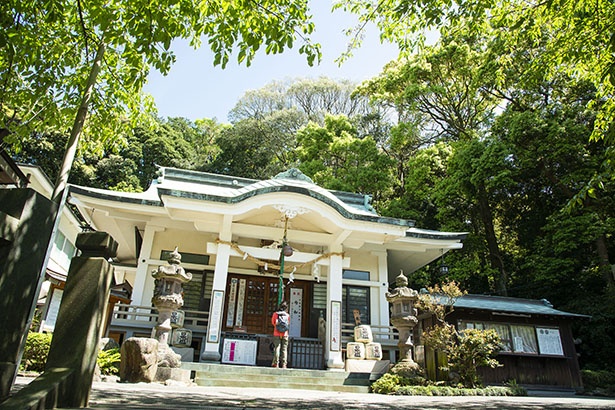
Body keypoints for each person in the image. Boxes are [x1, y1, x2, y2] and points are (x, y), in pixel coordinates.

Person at [271, 301, 290, 368]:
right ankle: (284, 364)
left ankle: (276, 363)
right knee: (284, 349)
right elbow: (288, 324)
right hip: (285, 333)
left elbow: (273, 323)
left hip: (277, 333)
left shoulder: (275, 314)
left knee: (277, 348)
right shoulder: (287, 315)